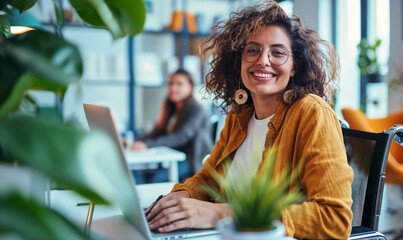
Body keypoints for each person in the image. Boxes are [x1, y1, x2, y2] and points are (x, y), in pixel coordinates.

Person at [145, 2, 353, 239]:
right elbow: (210, 177)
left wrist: (221, 214)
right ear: (239, 61)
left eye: (277, 52)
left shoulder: (312, 113)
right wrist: (182, 197)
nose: (263, 60)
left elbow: (335, 218)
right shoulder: (239, 114)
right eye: (252, 50)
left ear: (294, 66)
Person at [131, 69, 214, 182]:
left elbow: (180, 137)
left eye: (179, 84)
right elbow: (157, 132)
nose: (173, 88)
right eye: (170, 83)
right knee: (136, 175)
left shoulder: (197, 110)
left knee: (151, 179)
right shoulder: (171, 108)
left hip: (190, 161)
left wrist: (146, 145)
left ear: (190, 87)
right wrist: (134, 141)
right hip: (170, 159)